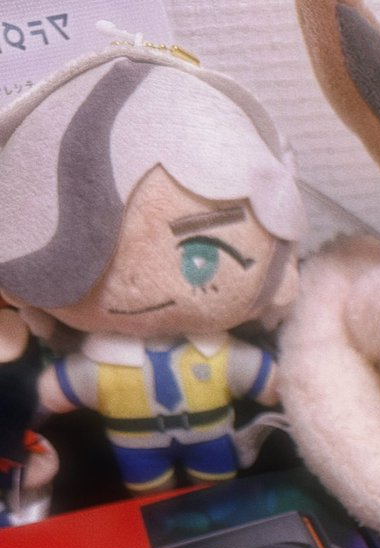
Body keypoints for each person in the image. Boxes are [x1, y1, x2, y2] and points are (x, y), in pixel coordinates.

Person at [0, 38, 306, 494]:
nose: (143, 283)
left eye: (201, 254)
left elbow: (268, 381)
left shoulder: (219, 353)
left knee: (218, 489)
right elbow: (50, 395)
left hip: (212, 441)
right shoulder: (99, 365)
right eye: (98, 266)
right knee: (149, 498)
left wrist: (304, 395)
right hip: (135, 452)